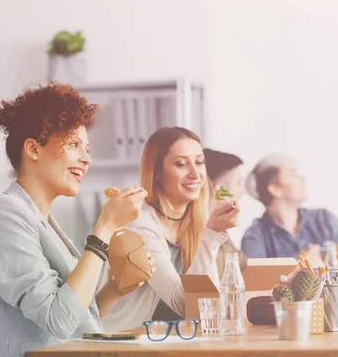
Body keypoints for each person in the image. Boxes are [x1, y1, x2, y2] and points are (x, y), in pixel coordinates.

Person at [0, 82, 150, 357]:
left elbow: (71, 319)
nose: (87, 159)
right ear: (33, 149)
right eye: (75, 144)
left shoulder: (39, 219)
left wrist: (113, 290)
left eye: (87, 148)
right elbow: (58, 320)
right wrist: (105, 229)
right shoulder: (4, 217)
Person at [102, 127, 239, 331]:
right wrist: (212, 234)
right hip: (127, 341)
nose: (195, 174)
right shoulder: (138, 224)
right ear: (156, 172)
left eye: (199, 162)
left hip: (177, 339)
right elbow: (185, 303)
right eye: (181, 164)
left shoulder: (199, 220)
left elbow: (210, 301)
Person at [241, 154, 338, 267]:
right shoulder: (255, 237)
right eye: (293, 174)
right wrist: (297, 267)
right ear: (275, 189)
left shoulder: (324, 219)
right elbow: (254, 282)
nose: (302, 178)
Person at [203, 148, 248, 277]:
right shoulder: (197, 233)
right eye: (238, 183)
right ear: (218, 188)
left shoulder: (222, 232)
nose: (243, 191)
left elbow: (245, 269)